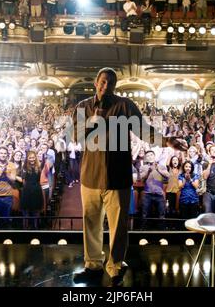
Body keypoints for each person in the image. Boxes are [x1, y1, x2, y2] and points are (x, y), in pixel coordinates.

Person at [72, 67, 181, 287]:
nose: (106, 86)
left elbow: (143, 130)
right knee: (91, 223)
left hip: (118, 176)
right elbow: (76, 136)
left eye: (111, 83)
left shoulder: (124, 105)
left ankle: (115, 266)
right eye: (103, 82)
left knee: (118, 226)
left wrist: (166, 141)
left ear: (115, 86)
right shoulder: (82, 107)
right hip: (90, 176)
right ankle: (92, 264)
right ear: (96, 82)